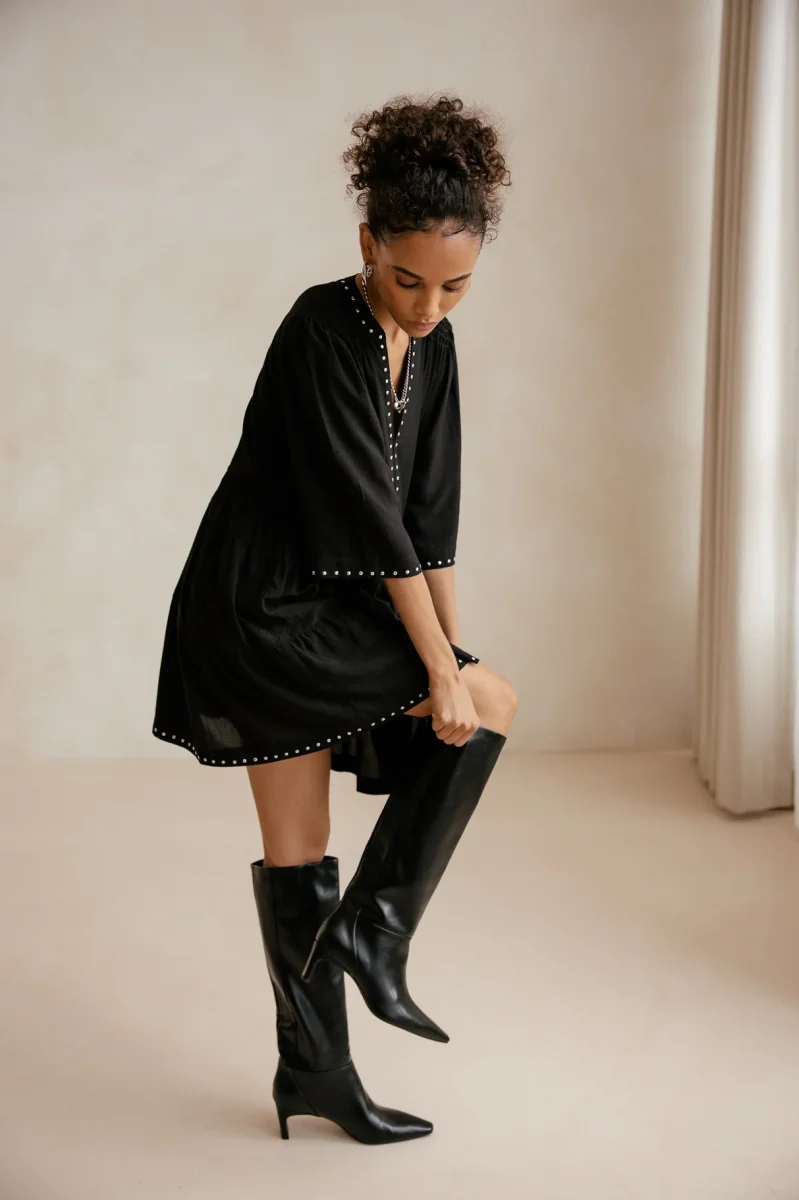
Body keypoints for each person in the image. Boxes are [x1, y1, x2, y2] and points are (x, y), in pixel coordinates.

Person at [152, 92, 517, 1144]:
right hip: (261, 605)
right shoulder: (321, 327)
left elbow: (429, 522)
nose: (430, 305)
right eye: (408, 279)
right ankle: (361, 962)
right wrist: (438, 669)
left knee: (467, 711)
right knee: (305, 836)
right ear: (367, 245)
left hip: (337, 595)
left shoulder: (433, 345)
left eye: (455, 285)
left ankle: (324, 1045)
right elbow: (370, 516)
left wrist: (450, 656)